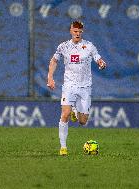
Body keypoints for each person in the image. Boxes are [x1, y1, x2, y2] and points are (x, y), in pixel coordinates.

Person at [47, 21, 107, 156]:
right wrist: (50, 77)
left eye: (80, 32)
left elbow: (98, 58)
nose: (77, 34)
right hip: (69, 85)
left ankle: (76, 111)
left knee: (83, 121)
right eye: (75, 31)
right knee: (65, 114)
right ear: (70, 31)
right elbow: (54, 60)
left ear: (82, 32)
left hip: (85, 87)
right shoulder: (63, 46)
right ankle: (63, 148)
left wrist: (101, 63)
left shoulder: (89, 46)